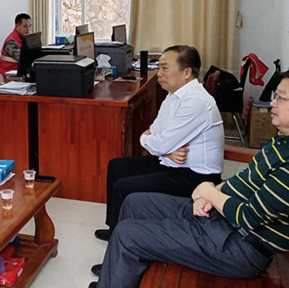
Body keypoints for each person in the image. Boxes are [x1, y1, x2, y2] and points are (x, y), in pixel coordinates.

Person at [65, 66, 289, 288]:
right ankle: (118, 281)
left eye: (281, 98)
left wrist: (208, 191)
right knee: (136, 202)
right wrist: (212, 193)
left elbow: (249, 217)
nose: (271, 103)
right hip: (225, 223)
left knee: (128, 235)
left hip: (239, 247)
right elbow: (246, 180)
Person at [93, 45, 224, 245]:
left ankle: (122, 241)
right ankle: (115, 228)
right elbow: (154, 132)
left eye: (164, 68)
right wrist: (165, 150)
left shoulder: (196, 101)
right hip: (173, 163)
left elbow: (158, 141)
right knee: (117, 166)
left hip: (197, 177)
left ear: (187, 72)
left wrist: (159, 146)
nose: (159, 73)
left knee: (124, 187)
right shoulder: (173, 95)